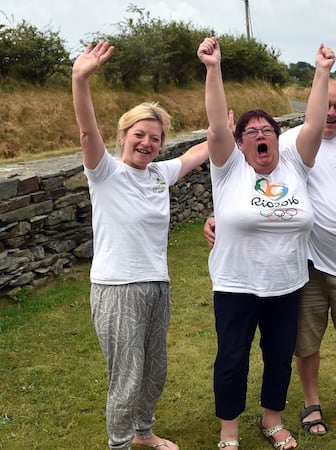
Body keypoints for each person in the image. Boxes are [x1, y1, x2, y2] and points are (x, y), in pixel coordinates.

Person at [204, 73, 336, 438]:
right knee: (265, 352)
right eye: (251, 132)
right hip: (275, 275)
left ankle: (321, 409)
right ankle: (266, 420)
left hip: (320, 274)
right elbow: (222, 144)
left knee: (318, 349)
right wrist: (218, 218)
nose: (331, 113)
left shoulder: (328, 152)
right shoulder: (262, 154)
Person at [198, 36, 334, 450]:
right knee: (233, 359)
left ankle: (272, 419)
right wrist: (213, 69)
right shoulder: (228, 168)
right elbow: (218, 122)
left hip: (287, 285)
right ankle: (229, 431)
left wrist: (322, 71)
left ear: (278, 137)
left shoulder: (295, 162)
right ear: (240, 143)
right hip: (236, 286)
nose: (260, 136)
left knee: (278, 357)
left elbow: (312, 123)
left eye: (267, 131)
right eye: (251, 132)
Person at [72, 41, 208, 450]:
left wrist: (224, 129)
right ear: (123, 135)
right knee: (127, 376)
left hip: (156, 285)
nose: (146, 143)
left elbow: (200, 152)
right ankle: (118, 443)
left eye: (154, 137)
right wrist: (81, 80)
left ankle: (143, 433)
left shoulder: (157, 174)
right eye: (139, 135)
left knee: (154, 371)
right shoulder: (105, 171)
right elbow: (86, 130)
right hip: (118, 288)